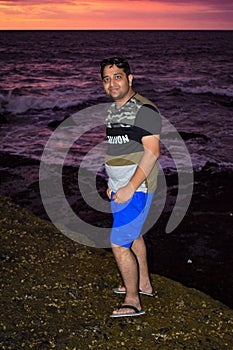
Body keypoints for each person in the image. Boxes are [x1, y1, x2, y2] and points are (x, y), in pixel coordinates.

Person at [100, 57, 161, 318]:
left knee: (119, 243)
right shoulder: (114, 109)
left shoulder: (144, 110)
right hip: (120, 187)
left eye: (117, 77)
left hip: (137, 188)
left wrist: (129, 188)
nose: (112, 83)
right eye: (106, 78)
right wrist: (112, 184)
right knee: (133, 236)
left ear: (130, 78)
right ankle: (143, 284)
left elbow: (152, 153)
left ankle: (133, 300)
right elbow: (118, 149)